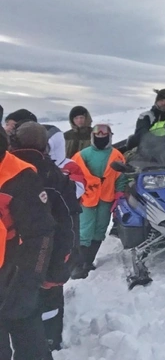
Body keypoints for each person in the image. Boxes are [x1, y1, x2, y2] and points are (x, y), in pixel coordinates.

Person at [9, 122, 80, 351]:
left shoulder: (7, 173)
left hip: (9, 265)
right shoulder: (56, 178)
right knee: (46, 310)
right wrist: (60, 268)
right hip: (46, 262)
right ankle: (51, 344)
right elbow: (68, 225)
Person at [0, 128, 55, 360]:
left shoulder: (20, 175)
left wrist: (30, 278)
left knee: (30, 342)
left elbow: (42, 232)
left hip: (13, 271)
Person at [70, 124, 125, 279]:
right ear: (93, 137)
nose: (101, 137)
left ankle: (88, 262)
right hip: (87, 200)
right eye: (98, 135)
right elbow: (74, 176)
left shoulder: (117, 155)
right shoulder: (82, 155)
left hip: (106, 199)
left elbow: (121, 177)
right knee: (84, 232)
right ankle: (77, 266)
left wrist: (119, 195)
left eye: (104, 135)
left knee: (99, 231)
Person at [123, 89, 165, 164]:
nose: (164, 103)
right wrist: (163, 140)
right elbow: (142, 134)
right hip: (145, 153)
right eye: (161, 100)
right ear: (156, 102)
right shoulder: (146, 116)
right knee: (135, 166)